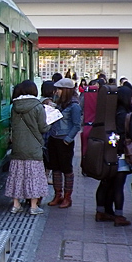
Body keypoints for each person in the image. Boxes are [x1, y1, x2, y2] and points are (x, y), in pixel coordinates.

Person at [95, 85, 132, 226]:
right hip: (121, 155)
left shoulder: (108, 113)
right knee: (119, 186)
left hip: (107, 153)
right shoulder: (127, 115)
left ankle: (101, 212)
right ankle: (119, 216)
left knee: (105, 183)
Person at [5, 80, 49, 215]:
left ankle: (16, 204)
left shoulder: (14, 106)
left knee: (17, 175)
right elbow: (43, 127)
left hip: (18, 146)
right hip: (33, 147)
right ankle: (34, 206)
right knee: (33, 176)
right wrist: (51, 124)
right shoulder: (38, 106)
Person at [46, 77, 82, 209]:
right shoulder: (59, 103)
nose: (57, 91)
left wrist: (68, 140)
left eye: (59, 89)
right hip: (54, 138)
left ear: (66, 90)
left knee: (67, 169)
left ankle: (67, 197)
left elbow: (77, 125)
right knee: (55, 168)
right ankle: (57, 195)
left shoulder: (74, 106)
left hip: (64, 141)